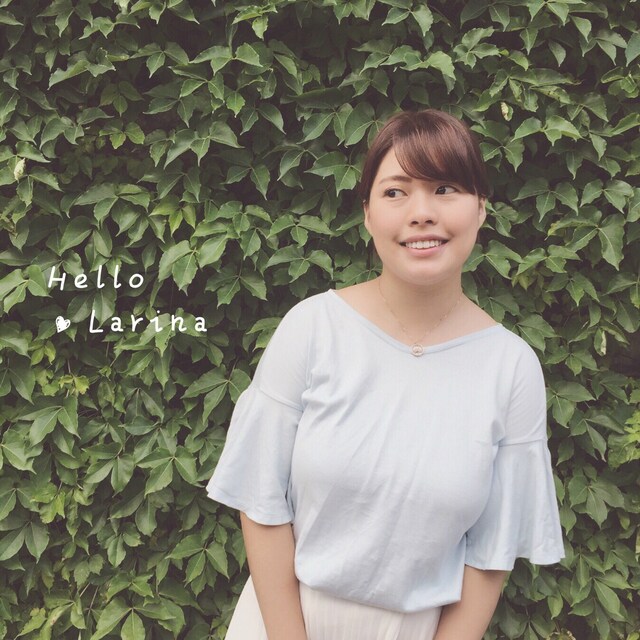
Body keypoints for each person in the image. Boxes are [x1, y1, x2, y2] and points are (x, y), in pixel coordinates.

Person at [205, 108, 566, 640]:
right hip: (281, 622)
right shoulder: (312, 328)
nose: (421, 213)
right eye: (396, 192)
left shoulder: (511, 369)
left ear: (481, 208)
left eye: (445, 188)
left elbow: (490, 555)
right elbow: (261, 505)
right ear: (368, 214)